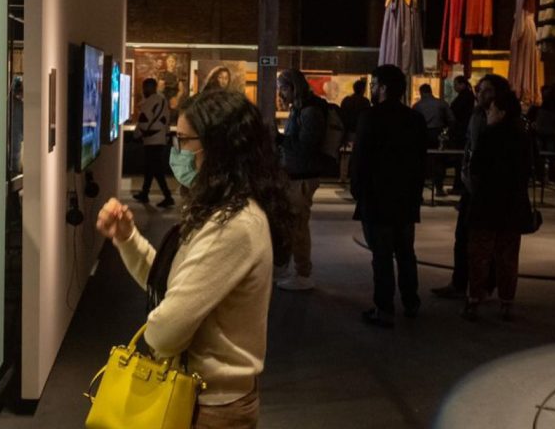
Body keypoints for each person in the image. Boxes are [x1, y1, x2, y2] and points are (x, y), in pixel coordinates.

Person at [96, 90, 293, 428]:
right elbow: (174, 285)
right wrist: (127, 238)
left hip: (209, 407)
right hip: (198, 397)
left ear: (218, 148)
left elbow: (165, 331)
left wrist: (162, 322)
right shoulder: (222, 210)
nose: (177, 151)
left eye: (184, 141)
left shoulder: (234, 225)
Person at [350, 65, 427, 327]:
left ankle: (384, 308)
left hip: (377, 197)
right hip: (405, 198)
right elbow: (421, 161)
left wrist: (357, 190)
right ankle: (411, 301)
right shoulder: (414, 119)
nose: (371, 89)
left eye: (373, 85)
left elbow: (360, 159)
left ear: (383, 87)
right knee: (406, 253)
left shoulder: (370, 117)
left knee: (381, 256)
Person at [431, 75, 506, 299]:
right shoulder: (476, 114)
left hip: (491, 188)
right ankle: (459, 282)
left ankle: (485, 285)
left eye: (487, 90)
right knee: (462, 236)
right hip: (471, 186)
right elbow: (471, 147)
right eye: (480, 89)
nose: (481, 94)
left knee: (488, 240)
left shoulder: (505, 120)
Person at [463, 85, 532, 322]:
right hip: (513, 206)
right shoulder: (523, 138)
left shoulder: (489, 136)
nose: (489, 114)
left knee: (479, 255)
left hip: (486, 204)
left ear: (501, 113)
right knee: (508, 257)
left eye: (492, 110)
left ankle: (474, 299)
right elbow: (529, 171)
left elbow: (476, 168)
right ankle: (507, 303)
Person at [274, 69, 328, 291]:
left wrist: (280, 139)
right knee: (293, 224)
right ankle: (293, 268)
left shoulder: (309, 112)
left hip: (302, 178)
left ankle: (302, 273)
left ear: (293, 88)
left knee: (298, 226)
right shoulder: (300, 110)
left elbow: (306, 147)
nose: (280, 94)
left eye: (282, 89)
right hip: (296, 175)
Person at [133, 78, 175, 208]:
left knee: (155, 169)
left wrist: (136, 134)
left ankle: (168, 196)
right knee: (151, 168)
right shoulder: (163, 100)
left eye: (144, 88)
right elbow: (166, 121)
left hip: (151, 140)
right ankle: (145, 193)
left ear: (147, 88)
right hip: (160, 139)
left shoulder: (149, 102)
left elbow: (143, 122)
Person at [413, 83, 455, 196]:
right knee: (439, 161)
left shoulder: (418, 105)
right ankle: (439, 188)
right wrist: (446, 132)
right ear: (431, 91)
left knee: (421, 161)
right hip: (438, 134)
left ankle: (420, 191)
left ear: (421, 93)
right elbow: (451, 119)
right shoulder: (441, 103)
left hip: (423, 135)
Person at [532, 83, 555, 182]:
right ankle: (552, 177)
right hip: (552, 132)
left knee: (540, 155)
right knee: (552, 157)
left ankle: (540, 176)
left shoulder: (545, 101)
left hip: (541, 131)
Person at [448, 76, 475, 194]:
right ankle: (458, 185)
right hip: (461, 130)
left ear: (462, 84)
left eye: (456, 84)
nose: (454, 87)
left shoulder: (465, 96)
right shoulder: (466, 96)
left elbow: (456, 111)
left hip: (461, 131)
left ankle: (459, 185)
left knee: (459, 160)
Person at [339, 78, 372, 146]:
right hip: (360, 132)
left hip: (347, 132)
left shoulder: (346, 100)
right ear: (363, 90)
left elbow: (342, 116)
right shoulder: (365, 101)